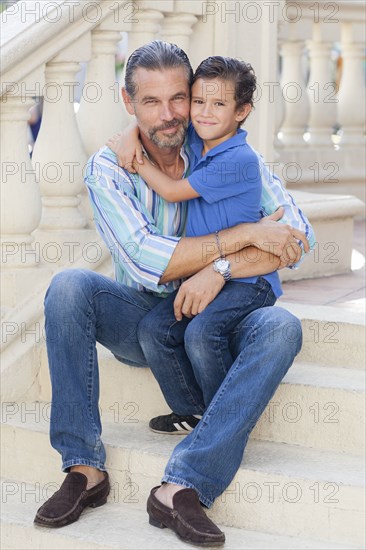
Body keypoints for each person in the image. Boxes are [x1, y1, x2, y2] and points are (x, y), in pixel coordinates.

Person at [34, 41, 313, 546]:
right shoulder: (110, 167)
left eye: (179, 98)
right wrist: (241, 238)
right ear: (128, 102)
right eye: (150, 102)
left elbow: (296, 236)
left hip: (219, 308)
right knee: (68, 287)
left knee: (281, 327)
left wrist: (220, 270)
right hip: (143, 319)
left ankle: (183, 484)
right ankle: (83, 469)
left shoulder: (217, 145)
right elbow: (149, 261)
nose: (169, 115)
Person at [109, 56, 289, 410]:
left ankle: (224, 418)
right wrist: (132, 132)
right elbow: (159, 124)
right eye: (198, 101)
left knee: (203, 334)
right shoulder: (197, 141)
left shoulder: (236, 159)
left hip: (249, 280)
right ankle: (194, 412)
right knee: (153, 331)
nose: (204, 113)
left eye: (219, 104)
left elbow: (173, 192)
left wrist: (138, 161)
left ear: (242, 111)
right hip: (206, 276)